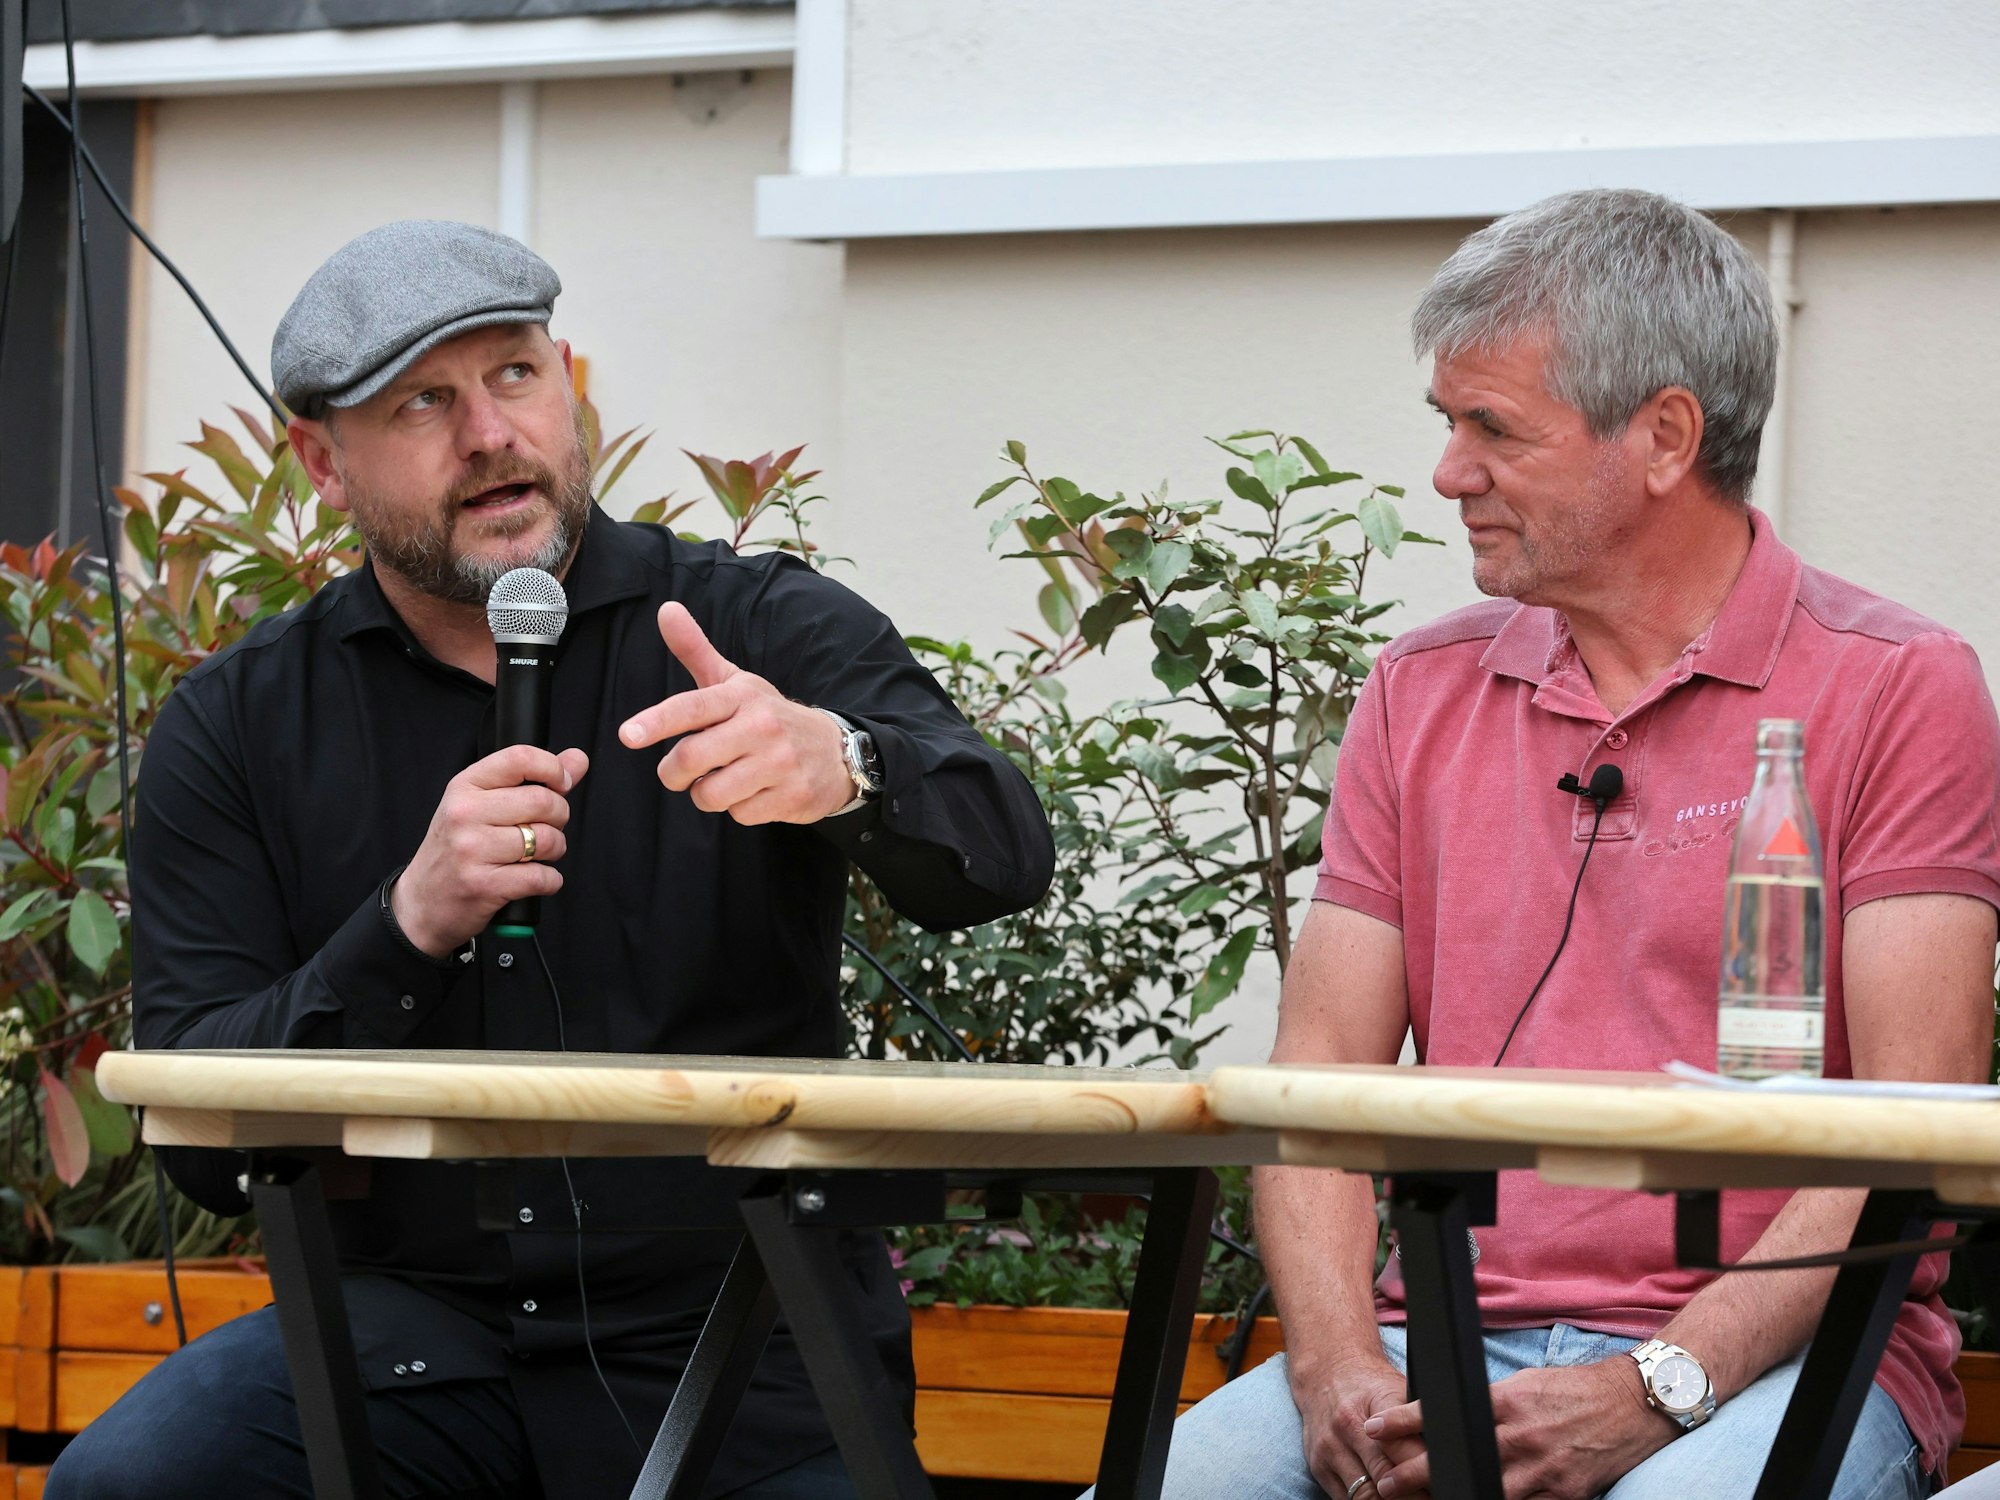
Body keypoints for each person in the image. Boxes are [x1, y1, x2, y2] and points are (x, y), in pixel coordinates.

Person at [48, 220, 1055, 1500]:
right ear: (320, 462)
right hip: (409, 1343)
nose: (489, 435)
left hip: (734, 1332)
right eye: (424, 402)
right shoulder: (240, 724)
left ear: (565, 382)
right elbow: (197, 1136)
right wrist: (404, 924)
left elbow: (1006, 855)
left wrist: (842, 768)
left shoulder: (746, 625)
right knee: (130, 1485)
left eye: (515, 375)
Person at [1145, 189, 2000, 1499]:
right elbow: (1313, 1084)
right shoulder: (1417, 691)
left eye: (1494, 428)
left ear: (1663, 436)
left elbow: (1908, 1132)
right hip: (1429, 1344)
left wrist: (1657, 1385)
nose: (1447, 474)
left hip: (1781, 1367)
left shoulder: (1899, 686)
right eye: (1448, 423)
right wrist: (1336, 1375)